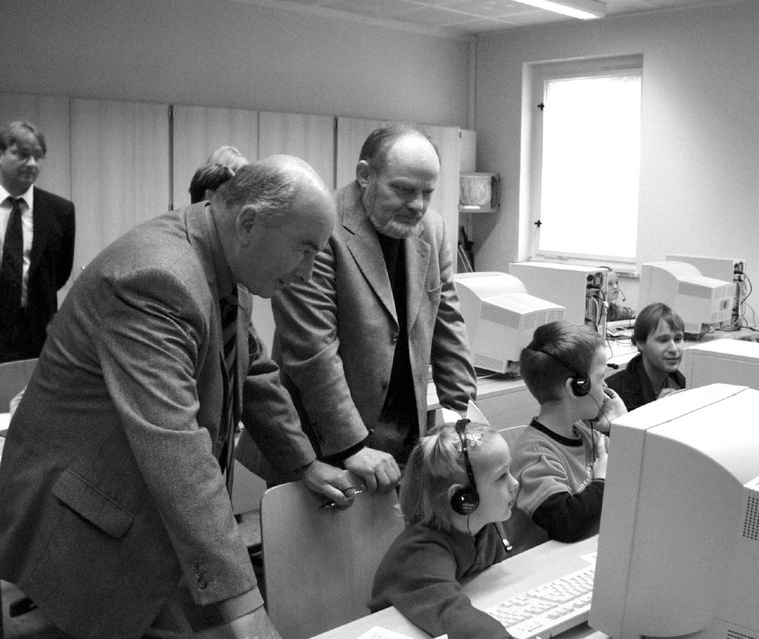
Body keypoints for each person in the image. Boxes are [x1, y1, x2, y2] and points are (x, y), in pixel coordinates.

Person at [0, 156, 356, 639]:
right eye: (305, 249)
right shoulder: (158, 276)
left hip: (149, 509)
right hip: (88, 522)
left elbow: (254, 375)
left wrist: (304, 464)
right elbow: (175, 444)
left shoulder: (226, 256)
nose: (310, 270)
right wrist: (246, 609)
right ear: (249, 222)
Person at [238, 122, 477, 493]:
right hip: (322, 440)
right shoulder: (320, 224)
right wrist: (352, 445)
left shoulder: (433, 229)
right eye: (403, 189)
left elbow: (448, 324)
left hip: (400, 436)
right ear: (365, 175)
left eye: (427, 192)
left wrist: (462, 417)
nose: (417, 205)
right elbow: (313, 350)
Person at [369, 419, 519, 639]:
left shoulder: (483, 528)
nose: (514, 483)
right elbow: (452, 614)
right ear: (463, 498)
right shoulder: (418, 554)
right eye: (501, 476)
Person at [509, 321, 626, 545]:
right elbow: (567, 523)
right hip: (545, 568)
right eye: (601, 378)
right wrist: (601, 480)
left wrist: (622, 428)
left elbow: (639, 479)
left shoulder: (587, 432)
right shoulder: (535, 454)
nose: (606, 387)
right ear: (576, 387)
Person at [0, 120, 75, 363]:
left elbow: (60, 273)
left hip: (36, 332)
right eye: (22, 155)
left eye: (38, 156)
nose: (32, 163)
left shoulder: (60, 211)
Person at [606, 302, 686, 411]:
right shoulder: (612, 394)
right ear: (640, 343)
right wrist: (654, 412)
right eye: (663, 340)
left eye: (677, 339)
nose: (673, 349)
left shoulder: (682, 385)